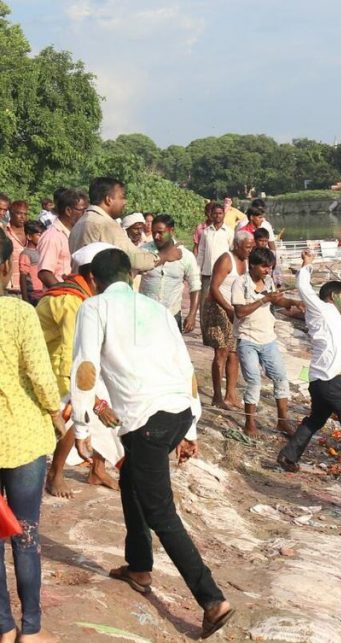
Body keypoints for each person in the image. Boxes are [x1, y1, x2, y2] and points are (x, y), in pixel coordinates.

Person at [69, 248, 234, 638]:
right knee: (132, 483)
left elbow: (85, 368)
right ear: (129, 276)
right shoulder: (159, 309)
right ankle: (139, 566)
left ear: (93, 280)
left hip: (147, 422)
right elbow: (185, 366)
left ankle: (212, 599)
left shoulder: (94, 308)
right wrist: (191, 428)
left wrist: (80, 427)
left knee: (161, 512)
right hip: (176, 413)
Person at [0, 228, 64, 643]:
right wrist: (59, 415)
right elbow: (41, 377)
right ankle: (32, 629)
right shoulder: (19, 313)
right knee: (25, 534)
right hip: (22, 436)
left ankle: (3, 627)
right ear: (6, 266)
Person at [277, 249, 341, 496]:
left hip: (326, 379)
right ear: (333, 296)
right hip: (331, 382)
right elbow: (303, 285)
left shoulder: (338, 320)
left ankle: (289, 456)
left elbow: (338, 350)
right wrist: (307, 264)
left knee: (316, 420)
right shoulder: (321, 309)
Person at [37, 242, 122, 498]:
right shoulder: (71, 301)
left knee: (111, 400)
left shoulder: (84, 296)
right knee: (81, 409)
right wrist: (95, 402)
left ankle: (97, 468)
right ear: (93, 275)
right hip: (52, 371)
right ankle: (56, 474)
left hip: (70, 367)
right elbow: (71, 360)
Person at [231, 247, 300, 437]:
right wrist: (264, 300)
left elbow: (278, 301)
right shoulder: (240, 283)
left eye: (269, 267)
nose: (267, 271)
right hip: (247, 338)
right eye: (264, 267)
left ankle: (282, 422)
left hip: (268, 338)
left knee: (280, 377)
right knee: (253, 381)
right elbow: (240, 312)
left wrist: (294, 303)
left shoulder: (268, 281)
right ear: (252, 264)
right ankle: (249, 423)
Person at [68, 177, 176, 273]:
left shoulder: (80, 222)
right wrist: (164, 255)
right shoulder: (106, 224)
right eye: (122, 197)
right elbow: (135, 259)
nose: (125, 202)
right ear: (108, 199)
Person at [202, 231, 252, 409]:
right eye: (247, 247)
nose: (250, 250)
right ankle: (217, 396)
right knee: (221, 352)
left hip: (233, 308)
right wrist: (228, 309)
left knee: (235, 352)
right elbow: (214, 288)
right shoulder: (226, 259)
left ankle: (231, 394)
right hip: (218, 306)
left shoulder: (245, 261)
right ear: (237, 245)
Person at [140, 214, 201, 333]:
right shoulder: (144, 252)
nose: (156, 236)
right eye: (153, 233)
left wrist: (192, 314)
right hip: (146, 315)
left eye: (160, 232)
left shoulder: (186, 256)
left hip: (172, 315)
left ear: (171, 231)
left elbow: (195, 286)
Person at [37, 188, 87, 288]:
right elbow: (45, 273)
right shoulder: (52, 236)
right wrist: (64, 294)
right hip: (61, 299)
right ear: (68, 211)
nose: (86, 214)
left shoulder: (76, 234)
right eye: (82, 210)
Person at [196, 202, 231, 313]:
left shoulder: (229, 232)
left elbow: (232, 252)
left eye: (220, 213)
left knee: (223, 302)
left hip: (224, 274)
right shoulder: (206, 232)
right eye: (215, 213)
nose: (217, 216)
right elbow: (201, 251)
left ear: (223, 214)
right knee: (204, 303)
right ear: (211, 214)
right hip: (207, 273)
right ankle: (204, 328)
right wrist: (197, 270)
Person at [4, 200, 29, 294]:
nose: (22, 217)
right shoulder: (4, 232)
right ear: (11, 213)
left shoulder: (31, 232)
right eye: (19, 213)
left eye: (25, 214)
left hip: (31, 288)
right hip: (10, 288)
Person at [18, 221, 45, 304]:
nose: (42, 237)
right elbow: (23, 276)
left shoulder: (42, 251)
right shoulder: (26, 254)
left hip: (43, 292)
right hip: (33, 294)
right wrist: (25, 298)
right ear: (29, 236)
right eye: (39, 235)